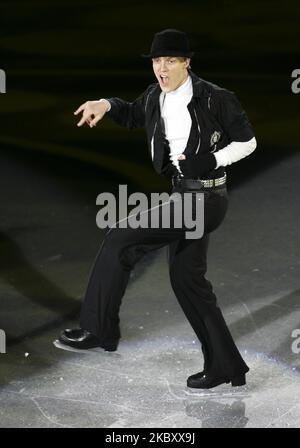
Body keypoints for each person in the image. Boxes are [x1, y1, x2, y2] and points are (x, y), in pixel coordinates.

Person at [58, 29, 257, 389]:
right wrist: (105, 104)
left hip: (205, 199)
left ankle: (98, 330)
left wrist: (210, 159)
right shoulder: (155, 95)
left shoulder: (215, 98)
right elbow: (133, 114)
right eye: (156, 62)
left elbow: (248, 142)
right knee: (188, 280)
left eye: (169, 61)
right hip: (183, 194)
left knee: (120, 237)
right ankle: (227, 366)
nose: (161, 69)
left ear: (186, 63)